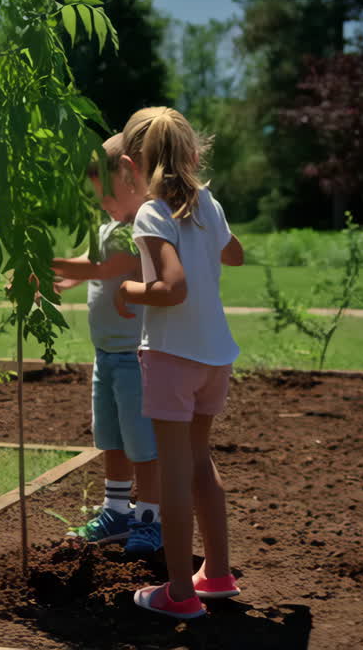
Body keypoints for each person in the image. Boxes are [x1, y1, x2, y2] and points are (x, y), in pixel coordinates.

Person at [115, 107, 245, 619]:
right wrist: (207, 239)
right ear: (193, 155)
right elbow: (234, 255)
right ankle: (215, 573)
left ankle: (178, 594)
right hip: (216, 356)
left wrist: (128, 288)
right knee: (199, 460)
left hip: (172, 355)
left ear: (131, 165)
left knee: (172, 472)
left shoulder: (153, 212)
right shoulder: (208, 203)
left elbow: (172, 287)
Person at [51, 134, 162, 552]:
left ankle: (150, 519)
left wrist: (42, 259)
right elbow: (85, 272)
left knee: (143, 445)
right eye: (99, 198)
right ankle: (116, 512)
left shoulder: (141, 228)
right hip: (106, 356)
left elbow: (105, 266)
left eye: (109, 195)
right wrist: (52, 283)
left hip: (136, 357)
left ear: (133, 179)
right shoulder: (108, 227)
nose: (104, 205)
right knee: (112, 439)